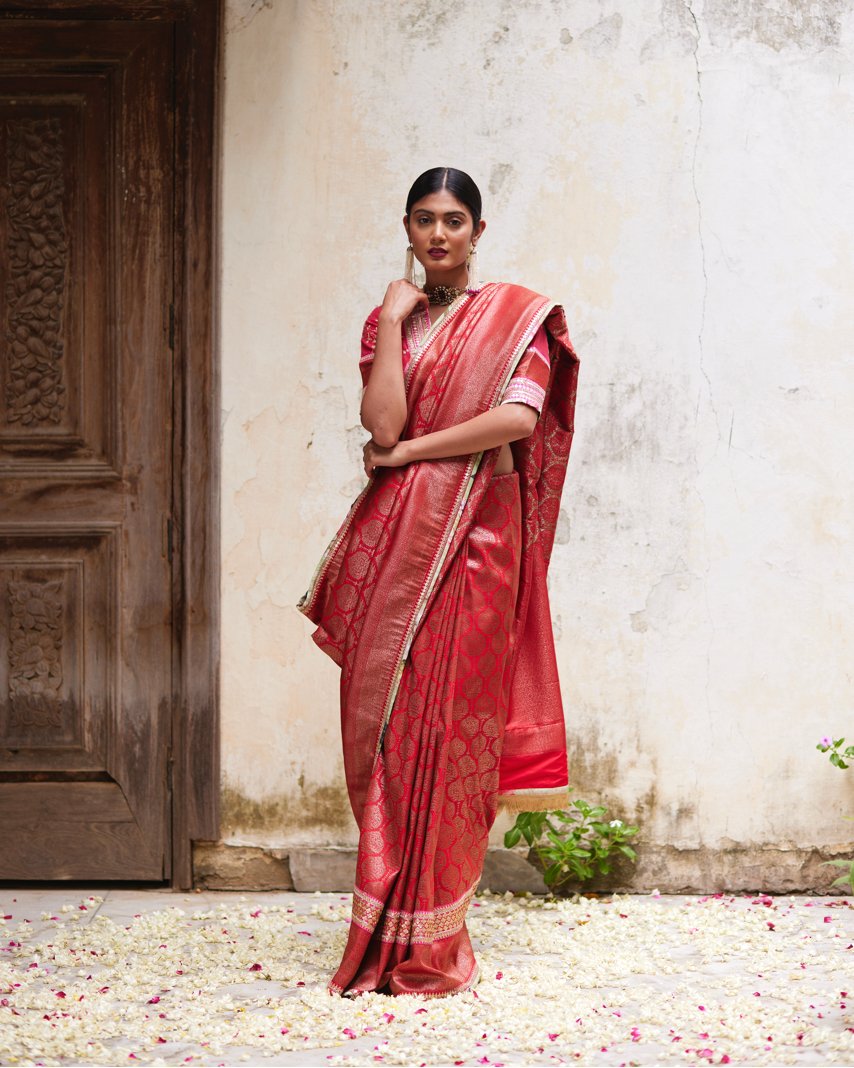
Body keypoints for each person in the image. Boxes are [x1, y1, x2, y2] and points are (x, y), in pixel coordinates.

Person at [298, 166, 580, 998]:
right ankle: (382, 916)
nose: (439, 235)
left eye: (455, 220)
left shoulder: (514, 319)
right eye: (424, 220)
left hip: (478, 545)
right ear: (408, 230)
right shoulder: (390, 323)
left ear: (478, 232)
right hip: (398, 546)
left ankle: (434, 938)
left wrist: (412, 454)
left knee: (452, 730)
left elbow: (518, 422)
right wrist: (390, 320)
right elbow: (380, 420)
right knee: (387, 732)